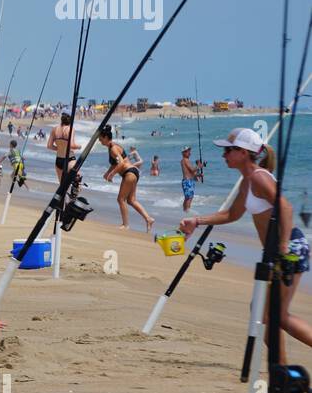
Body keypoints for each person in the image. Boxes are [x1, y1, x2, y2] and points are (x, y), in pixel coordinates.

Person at [180, 127, 311, 352]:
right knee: (264, 315)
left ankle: (282, 375)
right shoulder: (247, 182)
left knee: (273, 316)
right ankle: (281, 374)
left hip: (289, 247)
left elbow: (286, 208)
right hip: (277, 250)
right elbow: (232, 214)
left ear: (243, 152)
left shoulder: (259, 178)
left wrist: (282, 246)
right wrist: (197, 220)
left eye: (228, 150)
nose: (223, 155)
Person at [99, 126, 153, 232]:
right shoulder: (113, 146)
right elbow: (115, 163)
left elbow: (122, 163)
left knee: (120, 199)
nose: (100, 141)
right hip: (133, 172)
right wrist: (107, 173)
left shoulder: (113, 148)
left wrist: (112, 174)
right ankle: (148, 218)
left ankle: (125, 225)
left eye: (100, 139)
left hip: (129, 173)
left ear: (106, 137)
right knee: (131, 200)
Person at [47, 113, 77, 184]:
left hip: (59, 160)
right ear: (70, 122)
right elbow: (72, 145)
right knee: (77, 180)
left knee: (62, 186)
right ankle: (74, 193)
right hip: (69, 159)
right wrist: (79, 146)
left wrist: (59, 148)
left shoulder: (54, 129)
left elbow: (49, 146)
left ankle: (63, 194)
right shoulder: (71, 129)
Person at [180, 146, 199, 212]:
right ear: (183, 153)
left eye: (189, 151)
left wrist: (199, 175)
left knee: (189, 197)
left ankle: (185, 211)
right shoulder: (185, 160)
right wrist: (199, 166)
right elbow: (192, 169)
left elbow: (191, 173)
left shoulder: (186, 160)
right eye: (187, 152)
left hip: (189, 181)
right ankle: (186, 211)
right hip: (187, 181)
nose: (189, 153)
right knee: (189, 198)